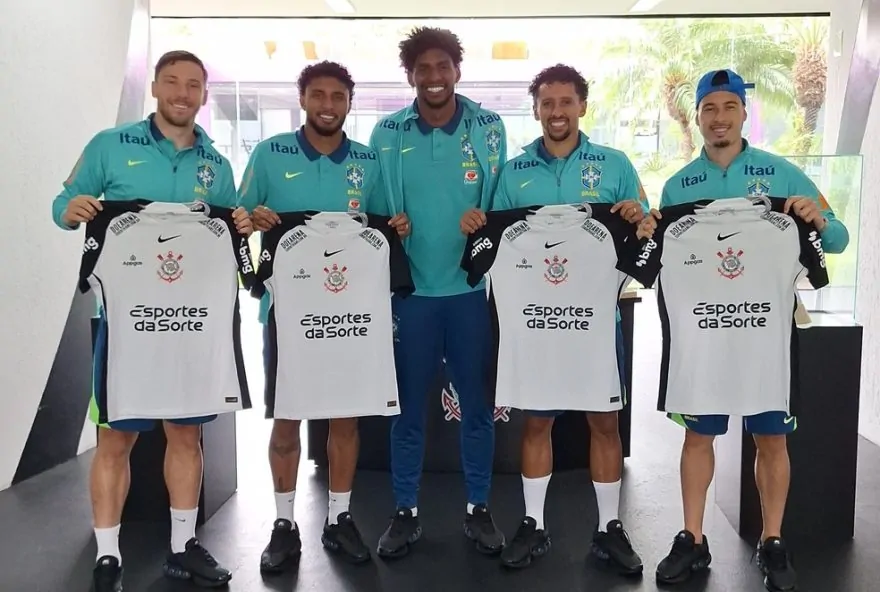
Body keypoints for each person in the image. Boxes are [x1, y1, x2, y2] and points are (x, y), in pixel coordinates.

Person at [639, 69, 849, 592]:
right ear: (697, 117)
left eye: (728, 107)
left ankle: (772, 540)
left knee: (771, 437)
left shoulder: (782, 174)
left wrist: (818, 219)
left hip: (765, 332)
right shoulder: (679, 184)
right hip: (704, 333)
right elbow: (661, 253)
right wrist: (647, 228)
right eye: (709, 109)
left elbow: (839, 239)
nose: (719, 119)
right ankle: (692, 538)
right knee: (698, 436)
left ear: (743, 114)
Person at [52, 51, 252, 592]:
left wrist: (240, 223)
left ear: (204, 95)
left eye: (193, 85)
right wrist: (69, 210)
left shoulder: (217, 166)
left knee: (186, 435)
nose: (183, 93)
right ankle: (108, 555)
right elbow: (64, 200)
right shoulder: (110, 145)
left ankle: (183, 547)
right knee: (115, 438)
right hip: (126, 327)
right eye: (172, 82)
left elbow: (230, 233)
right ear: (157, 88)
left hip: (191, 325)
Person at [460, 63, 646, 573]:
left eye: (566, 102)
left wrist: (637, 217)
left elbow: (643, 233)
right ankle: (534, 525)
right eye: (547, 103)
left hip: (595, 327)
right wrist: (477, 224)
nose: (556, 111)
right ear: (537, 109)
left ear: (582, 106)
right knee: (536, 422)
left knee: (604, 424)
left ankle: (610, 529)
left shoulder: (615, 165)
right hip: (535, 328)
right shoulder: (514, 172)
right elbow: (491, 237)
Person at [236, 61, 409, 570]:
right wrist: (254, 219)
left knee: (344, 418)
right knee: (287, 419)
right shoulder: (270, 154)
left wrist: (397, 227)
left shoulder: (368, 160)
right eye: (318, 95)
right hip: (288, 315)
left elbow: (386, 228)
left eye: (338, 97)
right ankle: (284, 525)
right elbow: (236, 218)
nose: (328, 105)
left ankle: (339, 518)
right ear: (303, 99)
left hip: (351, 317)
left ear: (349, 103)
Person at [369, 26, 507, 558]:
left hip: (469, 292)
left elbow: (502, 201)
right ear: (410, 76)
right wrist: (389, 225)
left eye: (442, 67)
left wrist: (485, 221)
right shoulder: (387, 132)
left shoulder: (488, 128)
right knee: (407, 411)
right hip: (411, 297)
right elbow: (372, 210)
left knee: (477, 407)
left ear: (457, 71)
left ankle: (478, 508)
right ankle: (405, 511)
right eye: (422, 68)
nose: (433, 77)